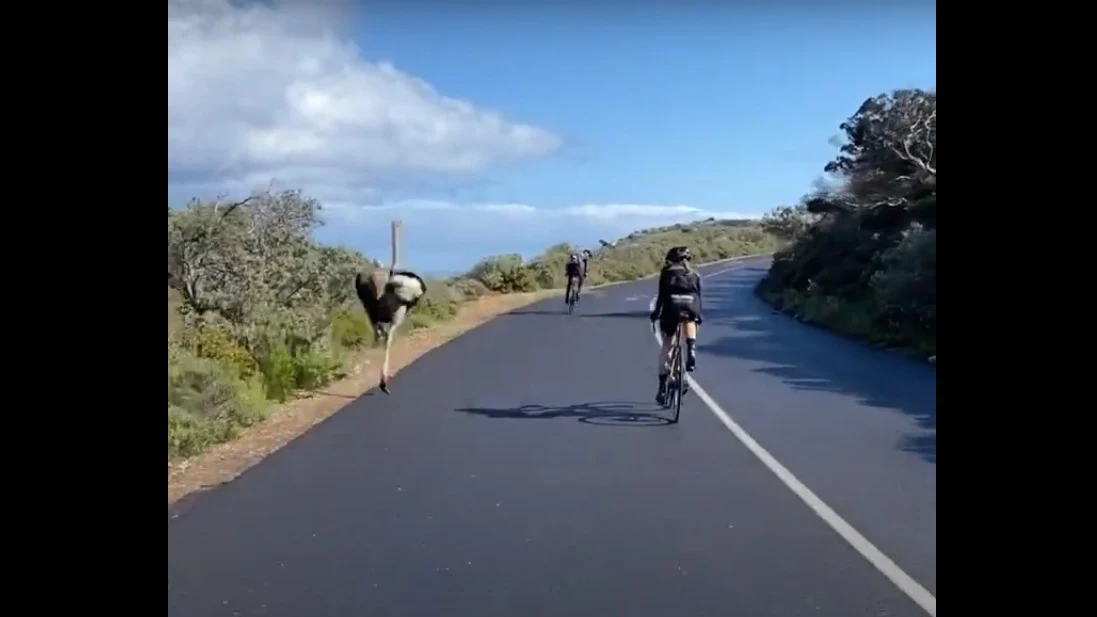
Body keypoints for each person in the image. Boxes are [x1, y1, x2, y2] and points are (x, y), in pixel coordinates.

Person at [649, 245, 703, 405]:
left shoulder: (667, 272)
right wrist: (699, 316)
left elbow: (661, 296)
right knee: (690, 321)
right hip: (691, 306)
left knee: (667, 345)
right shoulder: (694, 274)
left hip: (671, 308)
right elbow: (699, 297)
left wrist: (655, 314)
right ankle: (691, 348)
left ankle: (662, 387)